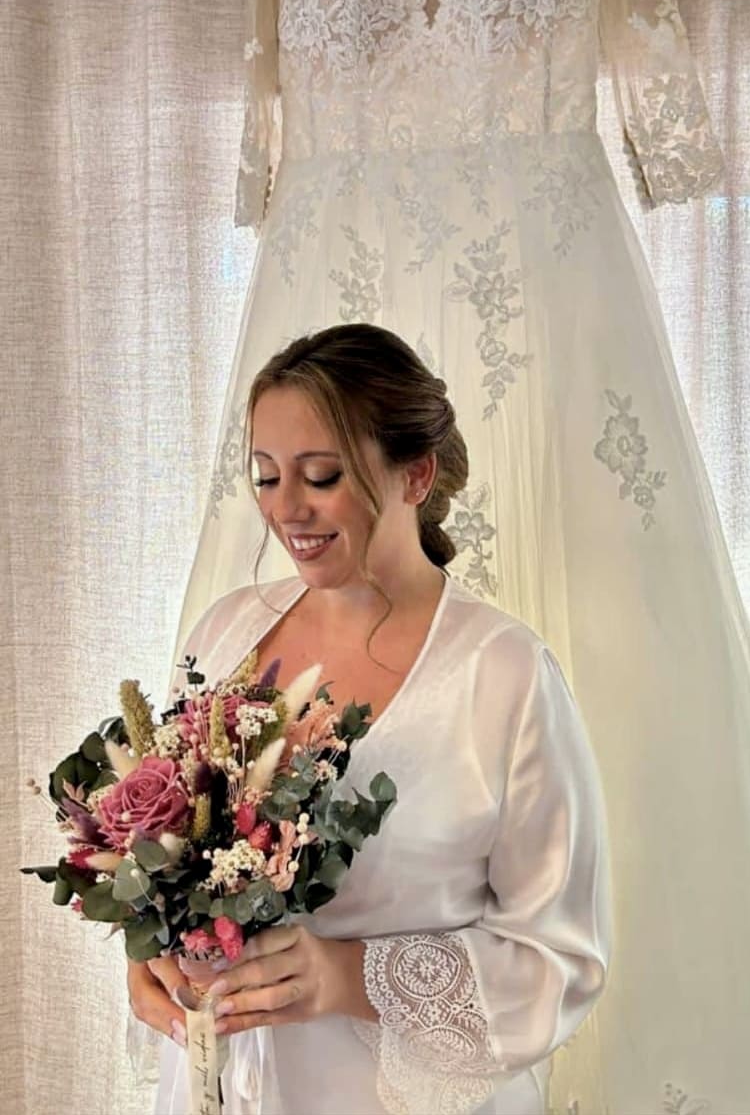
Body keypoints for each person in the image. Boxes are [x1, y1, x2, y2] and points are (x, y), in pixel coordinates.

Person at [127, 322, 613, 1115]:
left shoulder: (502, 674)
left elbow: (560, 960)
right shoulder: (224, 634)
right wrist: (149, 954)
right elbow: (167, 856)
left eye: (321, 476)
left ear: (415, 475)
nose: (286, 510)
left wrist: (346, 977)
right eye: (266, 475)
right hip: (223, 1087)